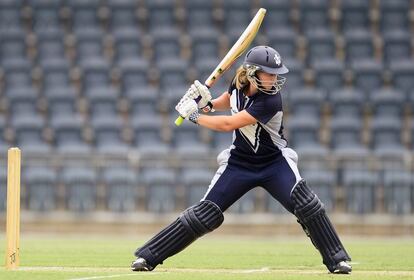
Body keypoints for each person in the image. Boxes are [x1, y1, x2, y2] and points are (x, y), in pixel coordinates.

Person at [131, 46, 352, 274]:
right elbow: (230, 99)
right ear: (252, 73)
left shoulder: (271, 100)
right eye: (269, 73)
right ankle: (147, 257)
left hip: (274, 163)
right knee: (203, 214)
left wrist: (195, 116)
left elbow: (229, 124)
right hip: (238, 164)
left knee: (307, 205)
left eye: (276, 74)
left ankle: (337, 260)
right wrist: (208, 104)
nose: (274, 78)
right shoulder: (238, 84)